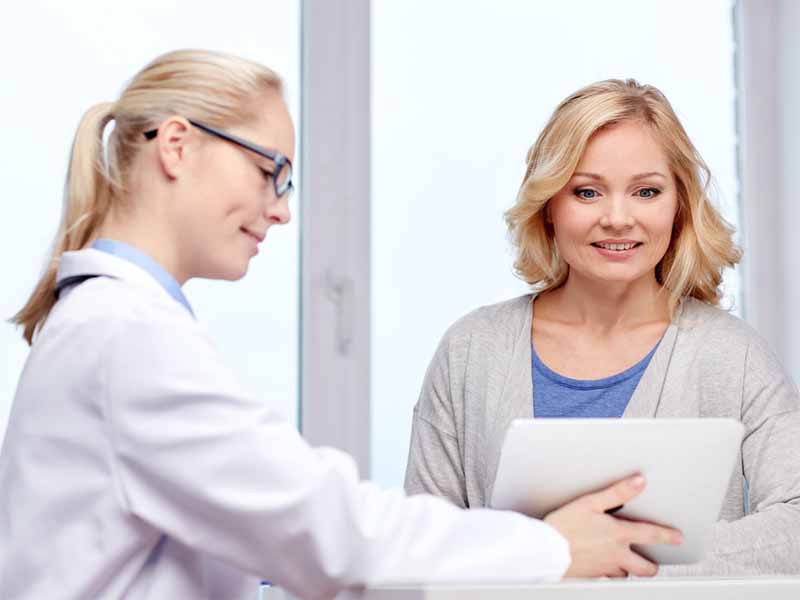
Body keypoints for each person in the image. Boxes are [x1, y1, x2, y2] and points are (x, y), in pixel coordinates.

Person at [0, 53, 682, 600]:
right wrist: (554, 549)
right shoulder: (128, 337)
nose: (280, 210)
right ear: (177, 146)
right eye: (272, 171)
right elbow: (333, 532)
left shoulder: (107, 323)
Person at [404, 79, 800, 577]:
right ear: (549, 206)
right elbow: (423, 545)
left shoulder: (731, 355)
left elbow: (794, 528)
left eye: (646, 191)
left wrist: (620, 556)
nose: (617, 218)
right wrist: (549, 554)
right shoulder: (471, 350)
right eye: (587, 192)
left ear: (678, 206)